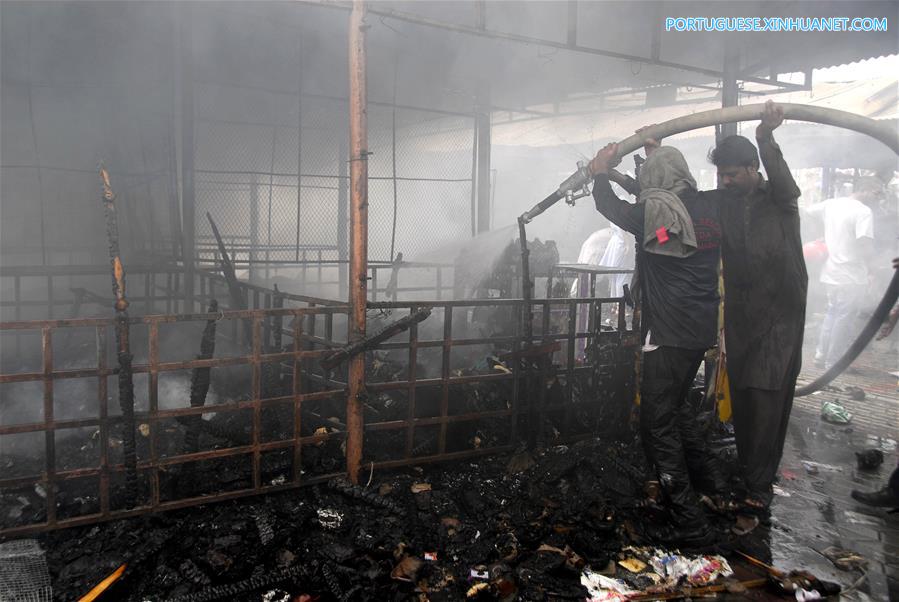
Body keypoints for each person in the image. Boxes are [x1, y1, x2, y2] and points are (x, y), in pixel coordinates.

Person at [589, 140, 726, 546]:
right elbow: (652, 197)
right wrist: (648, 157)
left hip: (668, 332)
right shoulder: (705, 206)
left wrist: (600, 174)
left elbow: (612, 208)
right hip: (700, 329)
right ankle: (713, 489)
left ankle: (689, 521)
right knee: (678, 407)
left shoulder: (656, 216)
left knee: (657, 423)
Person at [709, 100, 807, 513]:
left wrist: (765, 137)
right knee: (745, 393)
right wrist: (645, 165)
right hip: (743, 314)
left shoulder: (780, 199)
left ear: (753, 168)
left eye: (732, 174)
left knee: (768, 395)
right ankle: (750, 472)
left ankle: (759, 487)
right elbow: (682, 199)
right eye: (722, 175)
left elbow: (782, 179)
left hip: (780, 314)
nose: (726, 181)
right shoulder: (725, 202)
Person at [805, 178, 879, 370]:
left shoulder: (832, 204)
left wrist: (821, 234)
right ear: (866, 189)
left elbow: (807, 212)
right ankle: (834, 361)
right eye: (876, 193)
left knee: (832, 313)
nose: (878, 198)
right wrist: (873, 268)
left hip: (831, 272)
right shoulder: (863, 211)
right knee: (844, 319)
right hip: (852, 275)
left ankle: (821, 355)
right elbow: (864, 243)